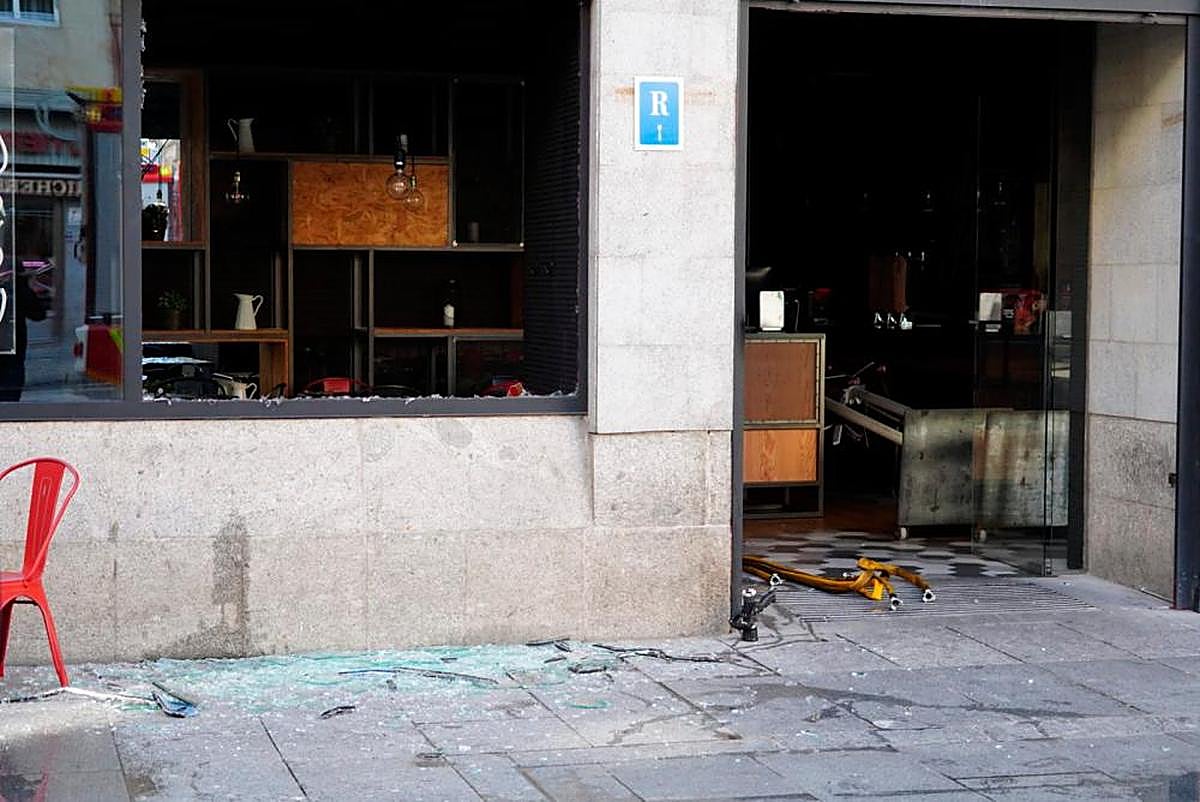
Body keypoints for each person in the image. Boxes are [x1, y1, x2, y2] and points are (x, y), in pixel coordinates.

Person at [0, 272, 49, 402]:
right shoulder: (18, 287)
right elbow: (38, 314)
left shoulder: (18, 287)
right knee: (9, 392)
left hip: (12, 348)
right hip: (12, 348)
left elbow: (38, 314)